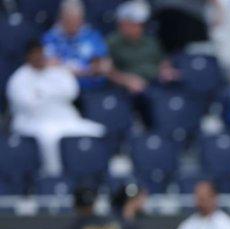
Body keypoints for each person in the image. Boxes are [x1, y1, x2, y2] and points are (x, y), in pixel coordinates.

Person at [6, 40, 105, 176]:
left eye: (41, 54)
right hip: (34, 122)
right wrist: (53, 94)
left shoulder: (57, 70)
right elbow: (28, 104)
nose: (39, 58)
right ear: (28, 56)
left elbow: (72, 92)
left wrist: (42, 93)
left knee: (97, 131)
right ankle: (55, 177)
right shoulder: (19, 78)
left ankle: (97, 174)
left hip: (66, 118)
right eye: (35, 55)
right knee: (50, 138)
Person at [107, 0, 179, 96]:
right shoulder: (112, 42)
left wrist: (165, 70)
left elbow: (162, 60)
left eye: (141, 25)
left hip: (155, 83)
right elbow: (106, 70)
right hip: (129, 89)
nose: (139, 28)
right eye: (134, 24)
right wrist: (126, 80)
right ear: (123, 23)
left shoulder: (150, 41)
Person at [42, 0, 111, 90]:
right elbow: (46, 65)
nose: (72, 24)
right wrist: (85, 70)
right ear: (61, 18)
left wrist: (71, 70)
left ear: (82, 19)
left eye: (75, 20)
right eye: (68, 20)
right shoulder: (50, 38)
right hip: (60, 89)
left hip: (91, 88)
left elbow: (102, 66)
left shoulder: (93, 37)